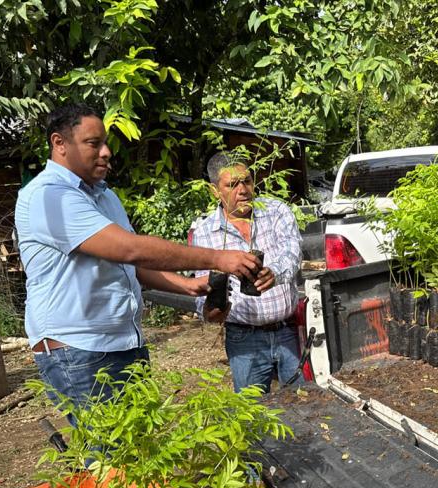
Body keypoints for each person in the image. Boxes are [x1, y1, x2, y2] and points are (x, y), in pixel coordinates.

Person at [15, 103, 261, 424]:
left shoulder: (104, 196)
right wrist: (218, 258)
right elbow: (129, 250)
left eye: (105, 143)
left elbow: (128, 265)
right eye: (93, 143)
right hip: (79, 351)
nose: (105, 152)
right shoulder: (49, 197)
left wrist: (188, 286)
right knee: (113, 461)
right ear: (59, 144)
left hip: (123, 344)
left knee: (142, 452)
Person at [192, 151, 303, 393]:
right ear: (215, 191)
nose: (243, 190)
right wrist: (212, 310)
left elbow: (292, 254)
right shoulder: (205, 232)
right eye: (232, 184)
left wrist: (275, 273)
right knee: (253, 413)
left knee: (305, 403)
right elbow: (202, 293)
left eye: (247, 181)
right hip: (244, 338)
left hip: (288, 331)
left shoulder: (276, 212)